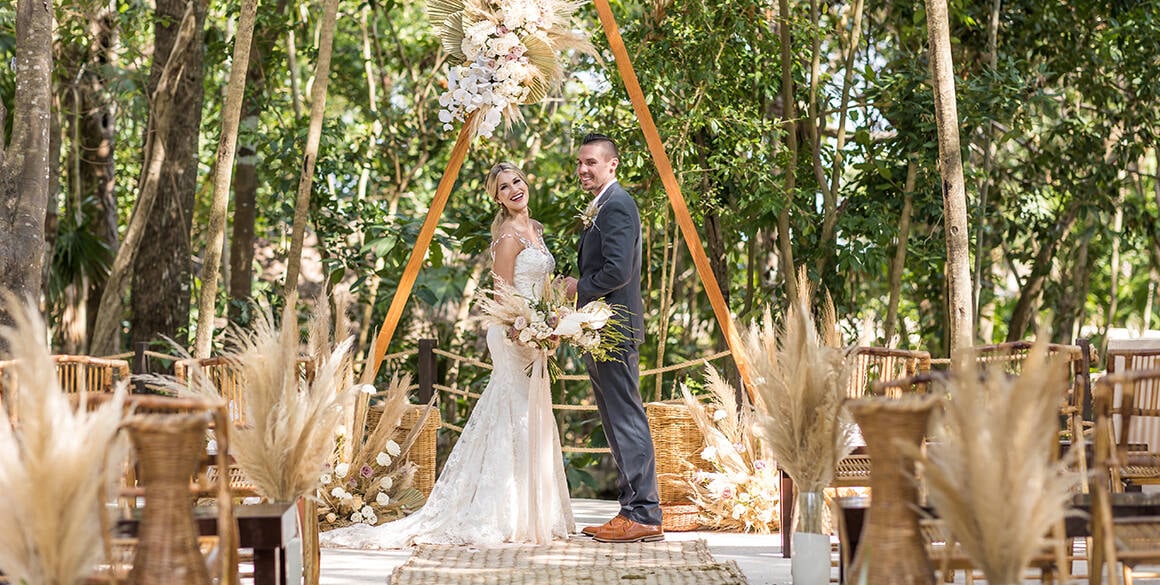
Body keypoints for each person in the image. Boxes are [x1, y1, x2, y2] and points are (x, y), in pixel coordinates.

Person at [321, 162, 574, 549]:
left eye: (516, 181)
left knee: (532, 412)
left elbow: (539, 286)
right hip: (511, 332)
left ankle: (534, 509)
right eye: (503, 187)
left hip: (535, 328)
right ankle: (501, 512)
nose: (513, 190)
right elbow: (502, 295)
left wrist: (556, 313)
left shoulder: (535, 229)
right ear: (498, 199)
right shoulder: (508, 237)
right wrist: (526, 328)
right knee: (516, 414)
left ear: (526, 183)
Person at [563, 133, 663, 543]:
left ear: (611, 164)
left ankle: (644, 513)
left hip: (614, 328)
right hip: (600, 330)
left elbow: (618, 271)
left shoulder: (617, 204)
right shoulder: (604, 204)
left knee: (626, 419)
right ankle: (630, 511)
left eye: (591, 162)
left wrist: (576, 288)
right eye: (580, 163)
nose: (583, 169)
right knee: (615, 420)